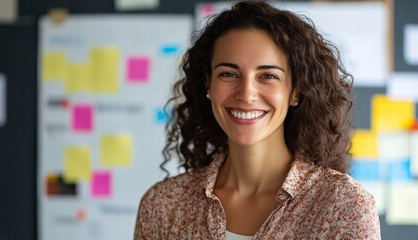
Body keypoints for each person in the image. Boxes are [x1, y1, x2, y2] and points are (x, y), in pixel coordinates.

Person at [134, 1, 381, 239]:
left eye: (268, 76)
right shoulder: (163, 205)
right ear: (208, 84)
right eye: (229, 74)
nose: (246, 94)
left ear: (295, 91)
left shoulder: (343, 205)